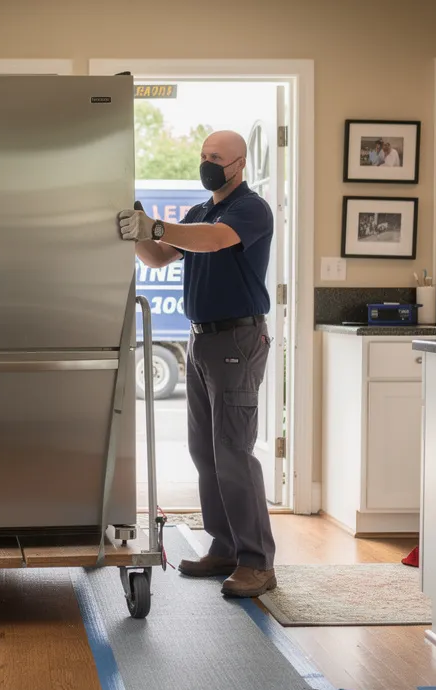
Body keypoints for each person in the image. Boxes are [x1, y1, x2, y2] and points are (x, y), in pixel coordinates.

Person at [116, 129, 278, 598]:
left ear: (239, 164)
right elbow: (159, 254)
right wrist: (139, 222)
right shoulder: (199, 209)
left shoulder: (250, 209)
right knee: (205, 452)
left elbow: (210, 242)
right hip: (202, 341)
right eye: (204, 155)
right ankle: (224, 548)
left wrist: (158, 228)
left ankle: (258, 562)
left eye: (218, 157)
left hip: (237, 339)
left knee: (233, 452)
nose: (208, 163)